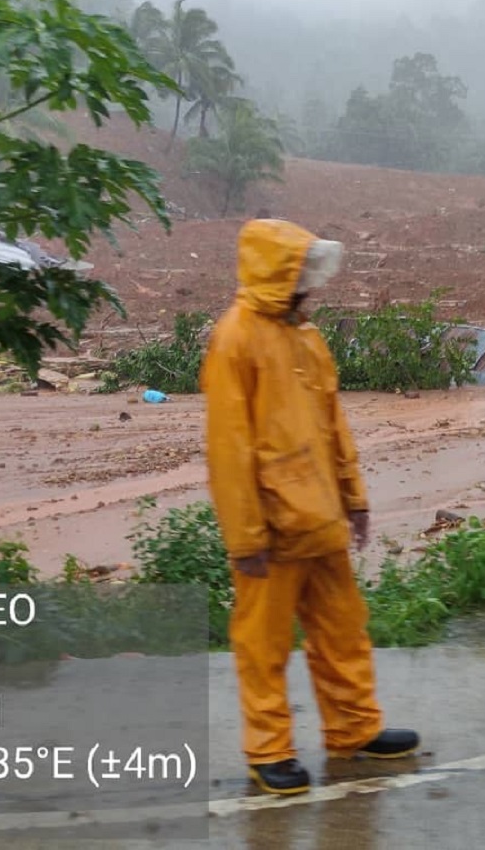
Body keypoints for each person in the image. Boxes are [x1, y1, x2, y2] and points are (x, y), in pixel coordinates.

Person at [203, 218, 420, 796]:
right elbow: (229, 449)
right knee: (263, 645)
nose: (310, 283)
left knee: (344, 631)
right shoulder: (235, 338)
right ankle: (269, 751)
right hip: (271, 531)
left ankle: (354, 729)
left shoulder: (308, 337)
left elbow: (333, 427)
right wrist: (245, 538)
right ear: (277, 272)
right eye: (300, 271)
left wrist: (355, 501)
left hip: (320, 519)